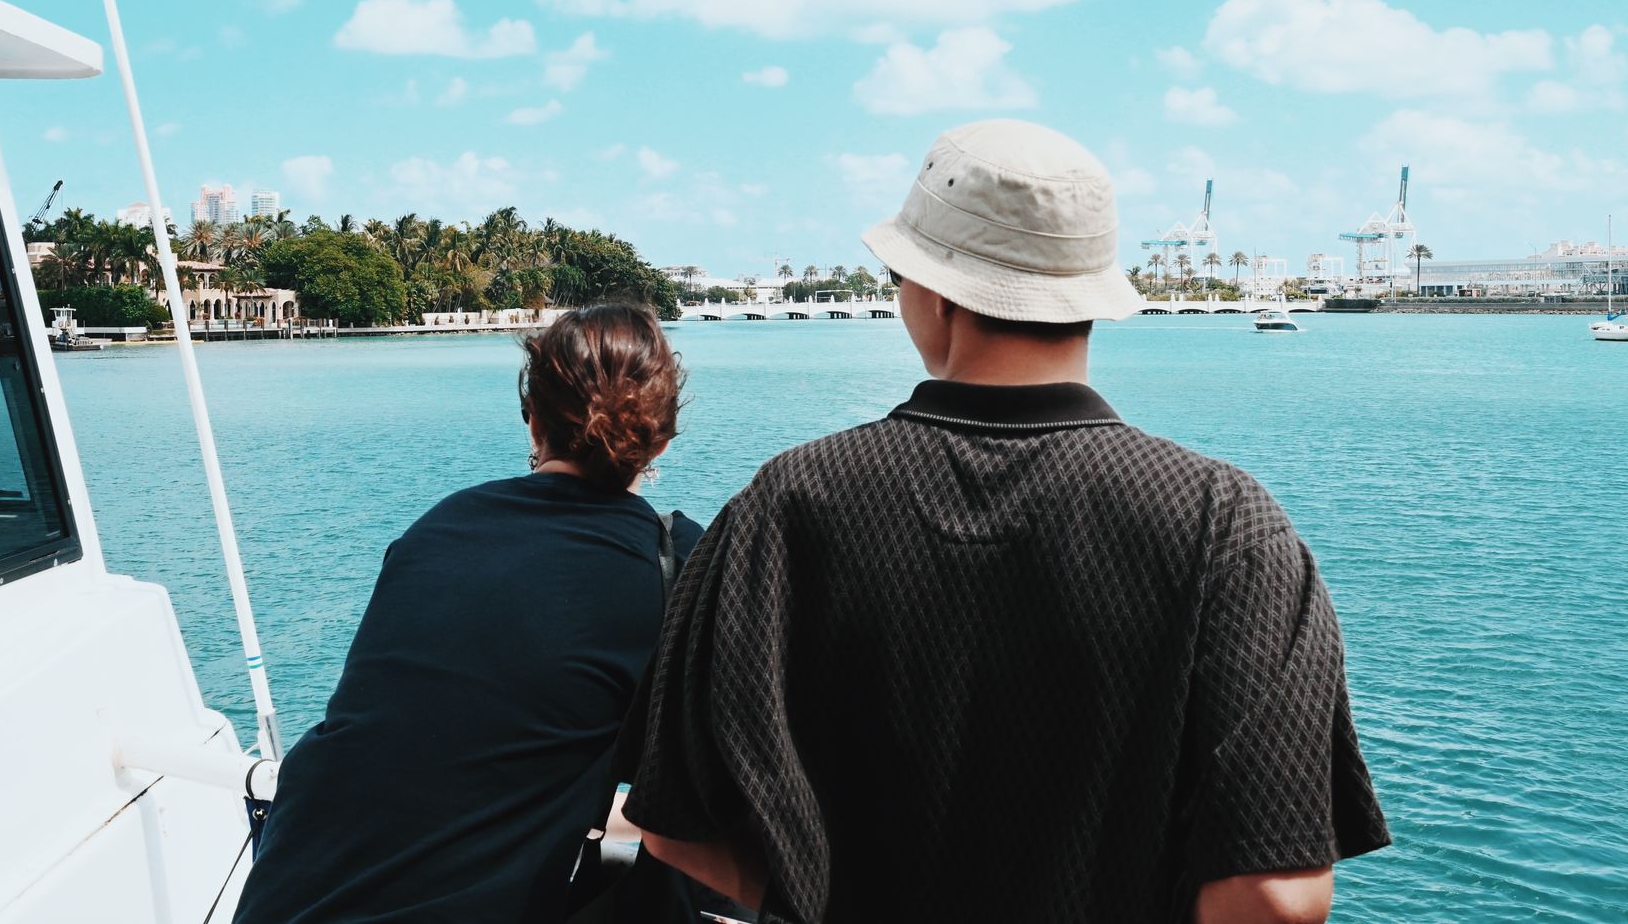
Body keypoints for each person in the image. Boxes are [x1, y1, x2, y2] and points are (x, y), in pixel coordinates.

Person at [624, 119, 1390, 923]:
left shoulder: (783, 505)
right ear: (1090, 293)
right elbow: (1275, 897)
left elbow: (674, 825)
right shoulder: (1224, 526)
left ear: (934, 291)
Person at [235, 303, 703, 923]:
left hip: (284, 892)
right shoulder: (672, 560)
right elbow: (699, 779)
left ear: (533, 419)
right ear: (663, 437)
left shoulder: (440, 525)